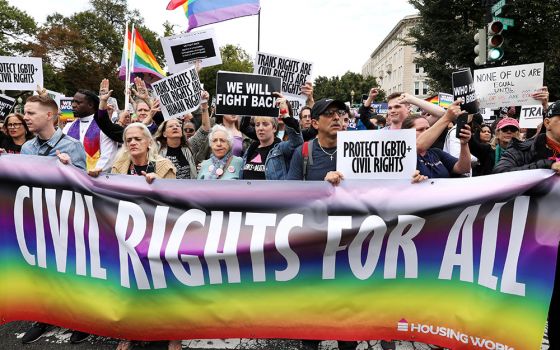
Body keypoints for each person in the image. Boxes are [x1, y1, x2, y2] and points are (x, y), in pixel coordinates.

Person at [19, 95, 87, 344]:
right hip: (37, 221)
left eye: (30, 113)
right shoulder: (27, 148)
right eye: (25, 112)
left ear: (50, 115)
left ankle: (82, 319)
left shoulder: (73, 146)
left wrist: (70, 169)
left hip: (66, 221)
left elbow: (84, 186)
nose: (25, 117)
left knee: (73, 271)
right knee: (42, 272)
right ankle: (44, 317)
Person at [493, 101, 560, 350]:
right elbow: (501, 175)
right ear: (547, 123)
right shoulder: (523, 147)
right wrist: (546, 167)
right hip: (531, 240)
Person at [241, 96, 303, 180]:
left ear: (274, 128)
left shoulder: (280, 149)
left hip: (272, 193)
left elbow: (297, 142)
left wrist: (285, 114)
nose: (260, 128)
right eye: (257, 125)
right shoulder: (251, 149)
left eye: (265, 124)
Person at [153, 91, 210, 180]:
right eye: (171, 126)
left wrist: (204, 104)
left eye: (178, 125)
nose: (175, 127)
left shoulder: (190, 146)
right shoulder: (156, 149)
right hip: (166, 191)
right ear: (164, 133)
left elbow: (205, 129)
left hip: (187, 192)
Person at [60, 88, 118, 176]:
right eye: (73, 102)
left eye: (78, 102)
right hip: (71, 178)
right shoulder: (68, 127)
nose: (73, 105)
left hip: (95, 180)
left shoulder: (104, 127)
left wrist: (93, 173)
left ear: (90, 105)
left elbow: (108, 156)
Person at [409, 100, 472, 178]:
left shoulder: (436, 153)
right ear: (407, 132)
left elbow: (464, 168)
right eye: (420, 129)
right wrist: (447, 117)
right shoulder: (404, 155)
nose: (426, 132)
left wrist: (464, 144)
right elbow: (419, 146)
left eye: (428, 129)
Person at [111, 123, 175, 182]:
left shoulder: (165, 166)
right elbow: (112, 191)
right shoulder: (118, 166)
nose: (132, 143)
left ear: (149, 142)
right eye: (129, 140)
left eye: (138, 139)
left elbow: (172, 192)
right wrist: (100, 178)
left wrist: (159, 182)